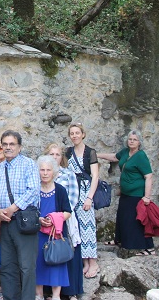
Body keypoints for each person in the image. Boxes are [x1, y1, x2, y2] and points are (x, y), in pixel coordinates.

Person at [0, 130, 41, 300]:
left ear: (19, 147)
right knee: (7, 265)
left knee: (26, 266)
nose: (8, 147)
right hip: (4, 222)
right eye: (5, 144)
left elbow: (33, 190)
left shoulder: (28, 164)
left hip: (23, 220)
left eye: (12, 144)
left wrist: (13, 208)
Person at [97, 130, 155, 255]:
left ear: (139, 142)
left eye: (135, 139)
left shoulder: (141, 156)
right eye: (130, 139)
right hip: (125, 193)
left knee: (139, 220)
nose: (132, 141)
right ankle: (119, 239)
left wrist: (147, 196)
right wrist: (97, 155)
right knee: (122, 217)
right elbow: (114, 157)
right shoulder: (125, 152)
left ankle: (149, 248)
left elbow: (148, 176)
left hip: (137, 194)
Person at [46, 143, 83, 298]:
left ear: (62, 157)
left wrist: (60, 217)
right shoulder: (43, 173)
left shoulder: (68, 174)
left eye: (57, 154)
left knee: (66, 252)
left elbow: (73, 198)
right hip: (46, 221)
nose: (55, 157)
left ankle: (70, 291)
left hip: (65, 219)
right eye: (52, 154)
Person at [35, 155, 72, 300]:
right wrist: (38, 219)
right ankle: (39, 295)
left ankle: (56, 296)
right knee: (38, 263)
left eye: (48, 170)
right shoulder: (35, 188)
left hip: (55, 234)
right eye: (42, 170)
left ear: (54, 172)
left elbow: (68, 212)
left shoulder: (60, 190)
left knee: (57, 263)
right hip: (37, 234)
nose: (45, 173)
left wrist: (54, 219)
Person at [65, 122, 100, 278]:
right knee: (77, 226)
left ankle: (93, 262)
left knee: (87, 226)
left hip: (85, 190)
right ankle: (84, 261)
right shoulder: (68, 152)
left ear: (83, 134)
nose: (74, 136)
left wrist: (89, 198)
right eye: (72, 133)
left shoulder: (90, 152)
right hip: (73, 190)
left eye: (77, 133)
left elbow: (95, 176)